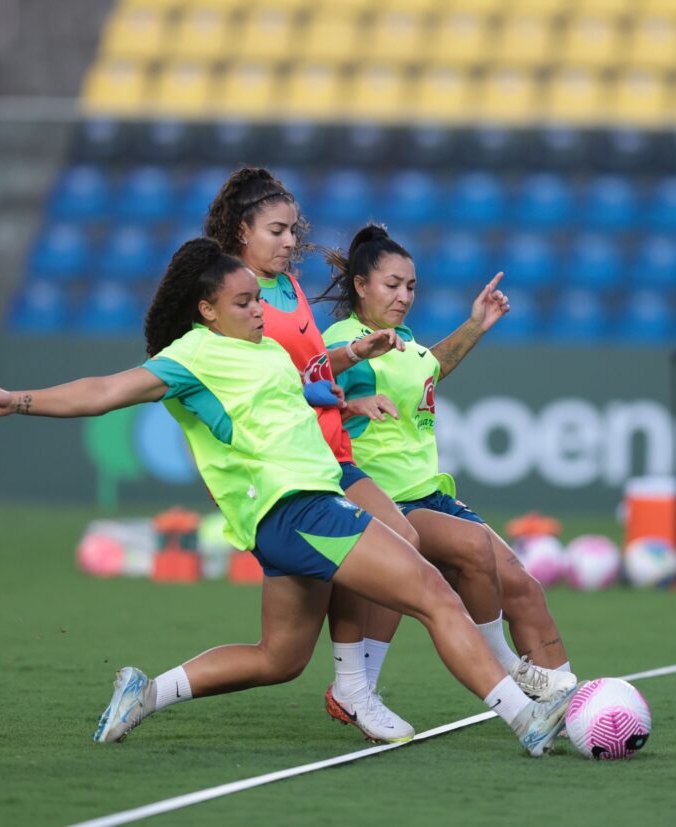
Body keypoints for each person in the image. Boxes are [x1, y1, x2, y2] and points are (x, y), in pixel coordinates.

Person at [0, 238, 576, 757]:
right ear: (205, 309)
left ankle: (146, 693)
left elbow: (304, 387)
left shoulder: (264, 352)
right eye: (243, 302)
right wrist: (17, 400)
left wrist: (348, 376)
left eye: (258, 299)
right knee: (434, 594)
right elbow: (102, 390)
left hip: (287, 522)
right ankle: (527, 718)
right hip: (301, 507)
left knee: (278, 658)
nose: (259, 310)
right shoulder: (193, 355)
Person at [205, 167, 415, 742]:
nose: (291, 242)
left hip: (329, 446)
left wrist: (348, 376)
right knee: (284, 652)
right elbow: (253, 385)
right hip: (290, 465)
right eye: (278, 230)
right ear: (241, 230)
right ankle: (355, 688)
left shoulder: (289, 288)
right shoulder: (231, 300)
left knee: (394, 548)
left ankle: (356, 688)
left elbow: (308, 368)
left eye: (295, 230)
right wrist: (312, 387)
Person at [318, 224, 576, 692]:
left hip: (431, 494)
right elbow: (311, 389)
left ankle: (567, 698)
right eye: (392, 284)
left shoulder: (402, 341)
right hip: (388, 502)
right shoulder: (345, 338)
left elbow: (429, 369)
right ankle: (507, 673)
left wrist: (476, 324)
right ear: (360, 285)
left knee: (522, 585)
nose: (404, 296)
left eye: (411, 286)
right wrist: (351, 403)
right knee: (475, 549)